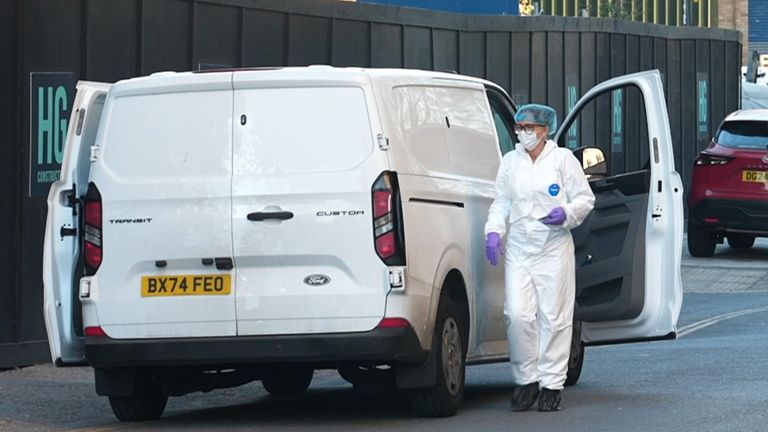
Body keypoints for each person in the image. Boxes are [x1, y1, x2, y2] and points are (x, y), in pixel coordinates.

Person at [484, 104, 595, 412]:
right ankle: (526, 380)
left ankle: (551, 385)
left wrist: (567, 214)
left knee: (554, 318)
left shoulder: (563, 160)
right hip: (519, 249)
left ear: (545, 130)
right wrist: (493, 232)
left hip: (553, 248)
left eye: (529, 128)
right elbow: (501, 202)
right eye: (519, 128)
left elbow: (585, 199)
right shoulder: (511, 162)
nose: (523, 133)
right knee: (517, 315)